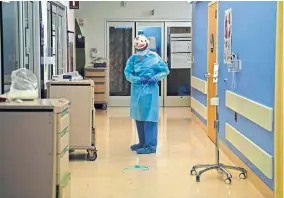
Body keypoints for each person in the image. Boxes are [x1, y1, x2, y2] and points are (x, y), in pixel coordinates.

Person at [124, 35, 170, 154]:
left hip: (150, 91)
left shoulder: (155, 57)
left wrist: (155, 78)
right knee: (139, 116)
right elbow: (127, 73)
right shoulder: (133, 59)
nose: (140, 50)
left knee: (150, 117)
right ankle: (142, 143)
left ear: (147, 45)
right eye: (138, 47)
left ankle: (151, 146)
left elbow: (165, 70)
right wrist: (137, 79)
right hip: (137, 92)